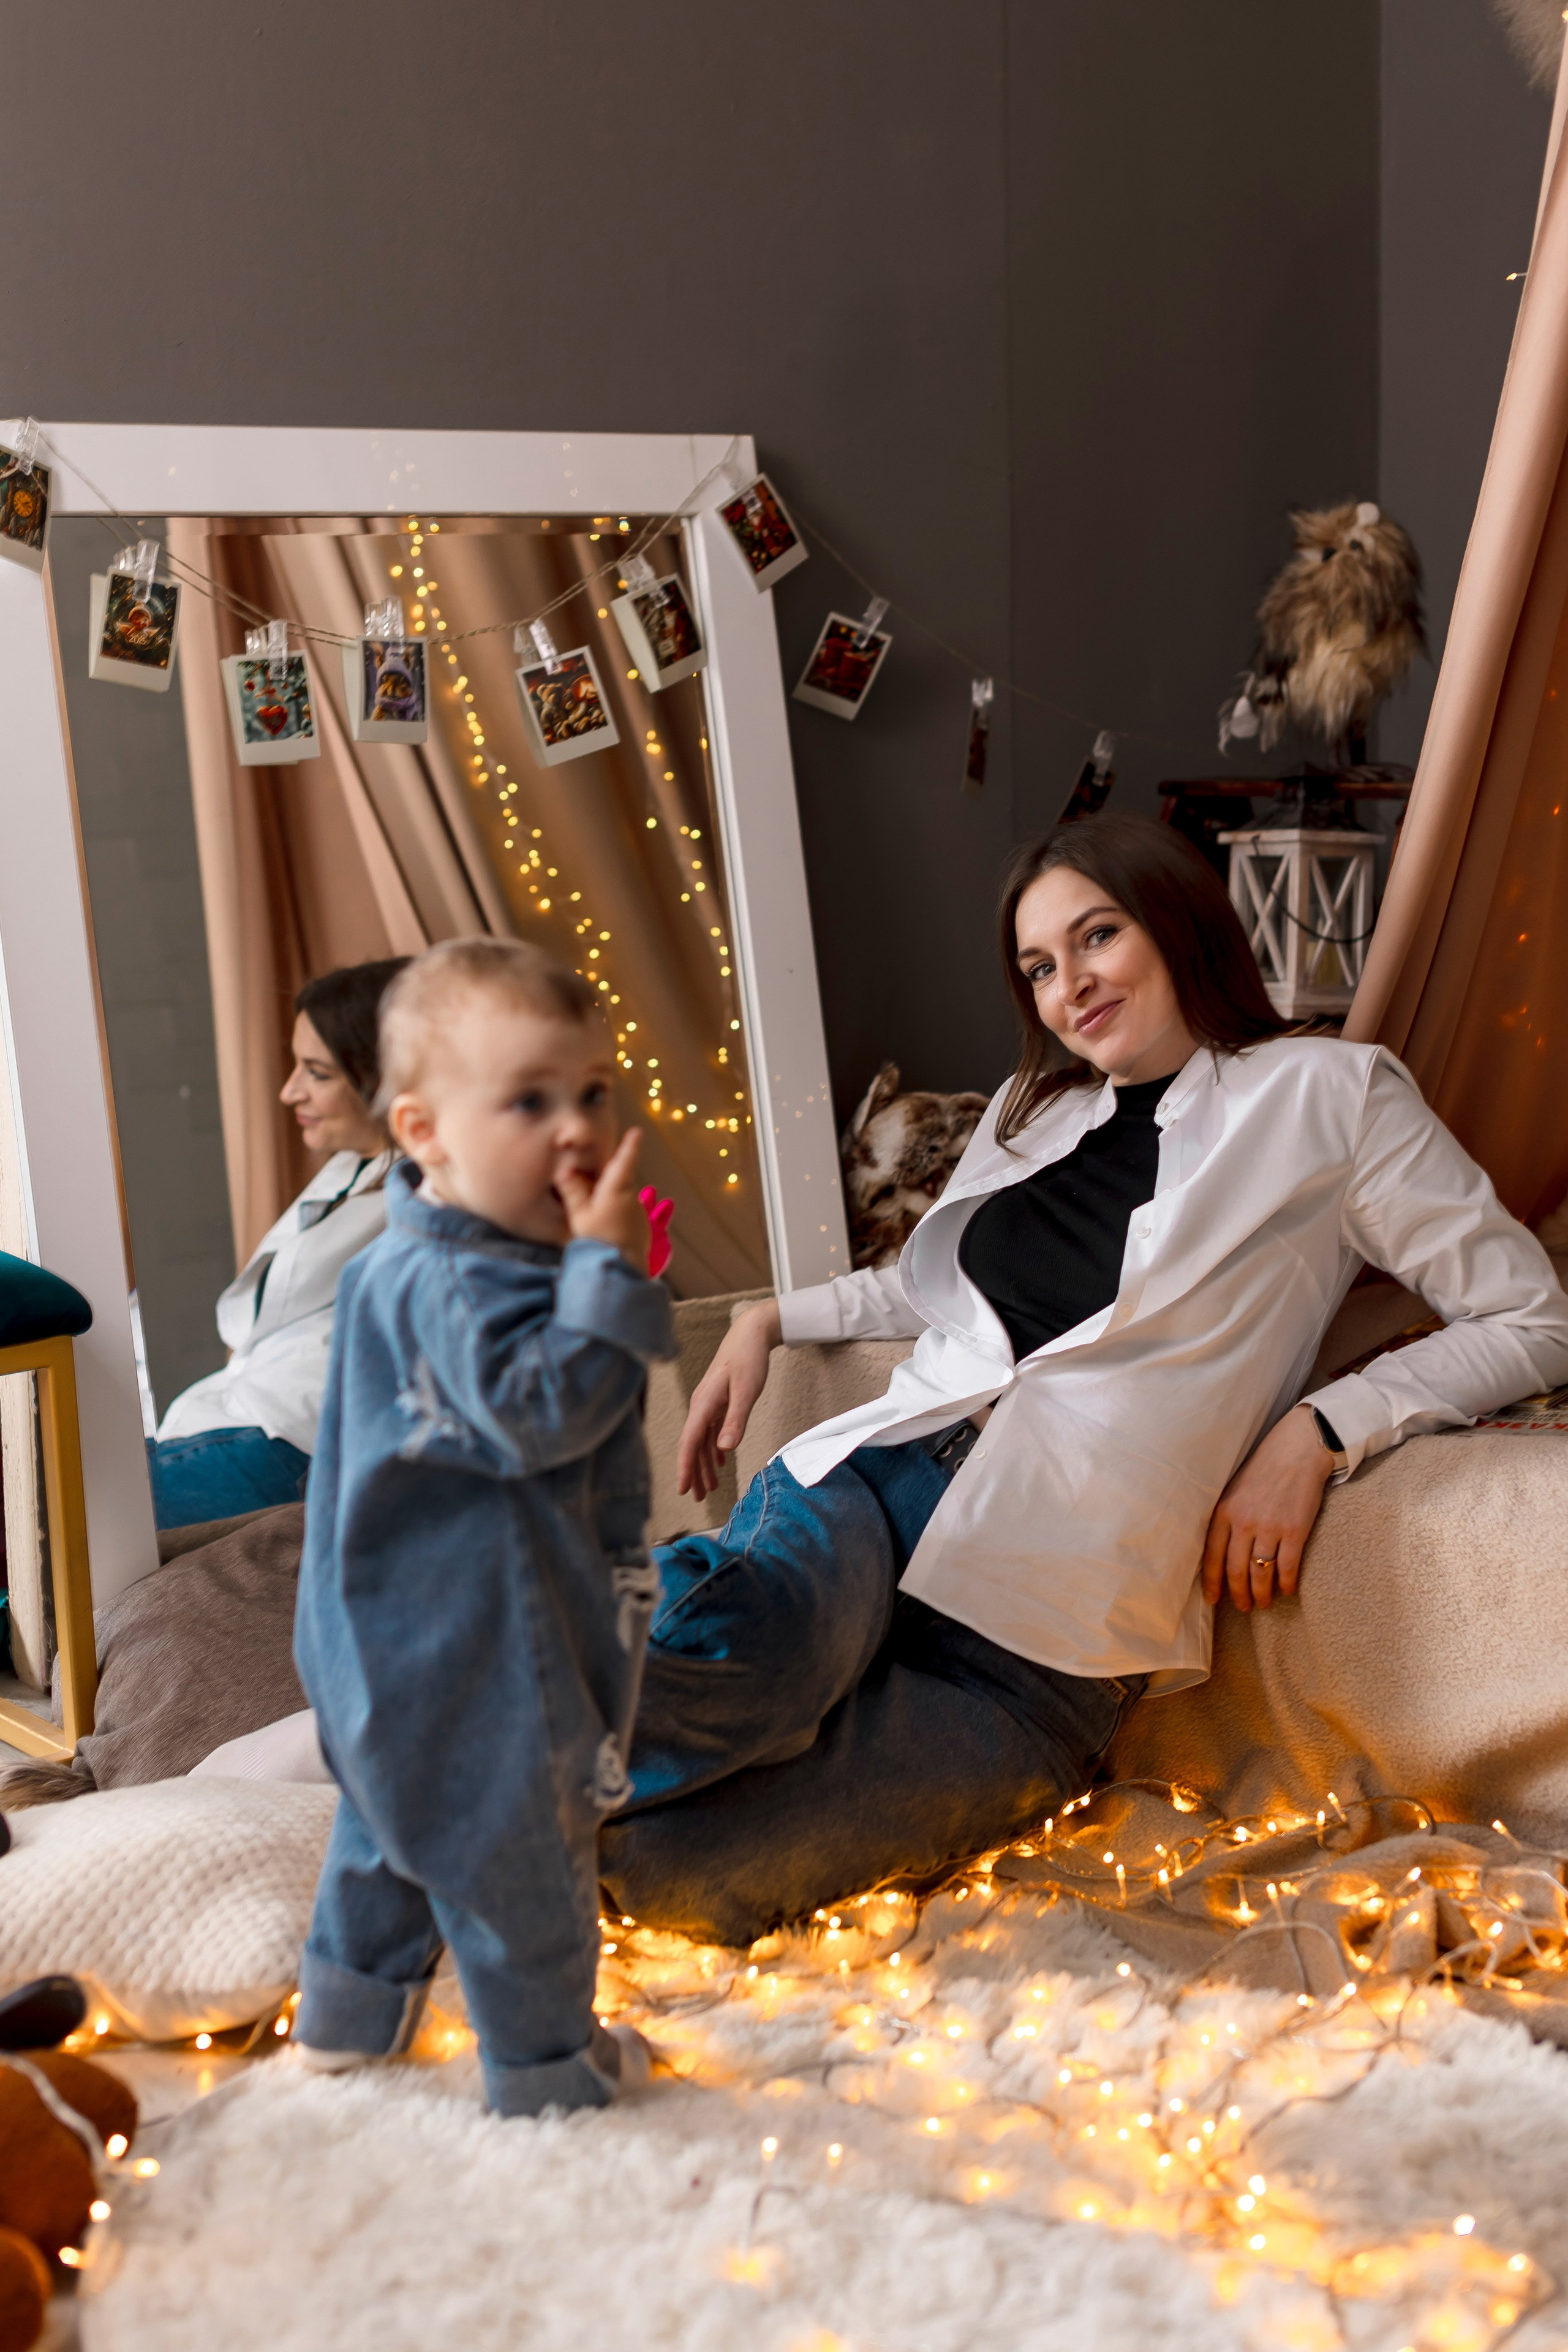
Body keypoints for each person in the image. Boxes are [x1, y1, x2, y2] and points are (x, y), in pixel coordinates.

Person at [597, 813, 1568, 1946]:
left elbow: (1529, 1316)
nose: (1069, 987)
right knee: (756, 1658)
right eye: (1039, 968)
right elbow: (934, 1293)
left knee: (674, 1875)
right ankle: (448, 1700)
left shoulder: (1331, 1094)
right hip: (885, 1485)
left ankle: (477, 1782)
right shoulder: (1034, 1115)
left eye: (1096, 937)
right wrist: (769, 1318)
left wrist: (1320, 1427)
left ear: (1176, 920)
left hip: (1051, 1649)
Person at [291, 938, 676, 2116]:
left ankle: (350, 2016)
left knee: (392, 1829)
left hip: (382, 1645)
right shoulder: (471, 1284)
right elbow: (537, 1416)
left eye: (591, 1094)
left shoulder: (414, 1256)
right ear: (423, 1133)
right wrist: (605, 1274)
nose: (575, 1129)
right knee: (521, 1865)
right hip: (482, 1653)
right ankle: (548, 2064)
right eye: (528, 1102)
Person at [148, 959, 409, 1529]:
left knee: (54, 1503)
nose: (290, 1091)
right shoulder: (350, 1170)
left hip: (293, 1447)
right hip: (246, 1425)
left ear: (387, 1075)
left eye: (317, 1072)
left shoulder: (440, 1196)